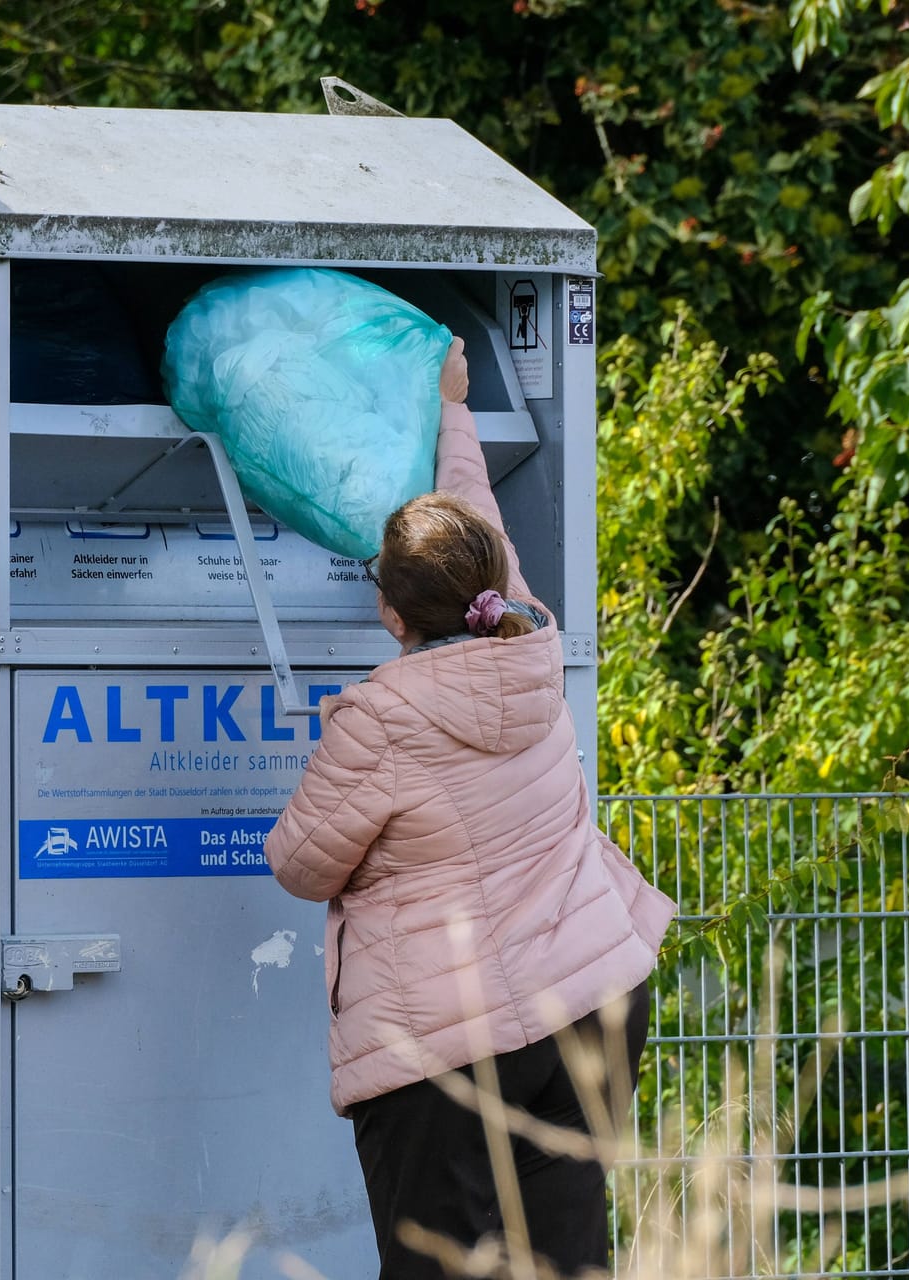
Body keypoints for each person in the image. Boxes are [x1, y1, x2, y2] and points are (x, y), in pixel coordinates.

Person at [264, 338, 675, 1279]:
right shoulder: (530, 638)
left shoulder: (379, 719)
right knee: (566, 1263)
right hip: (591, 1001)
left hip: (448, 1043)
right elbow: (475, 517)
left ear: (393, 618)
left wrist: (324, 756)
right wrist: (456, 407)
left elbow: (299, 864)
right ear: (487, 588)